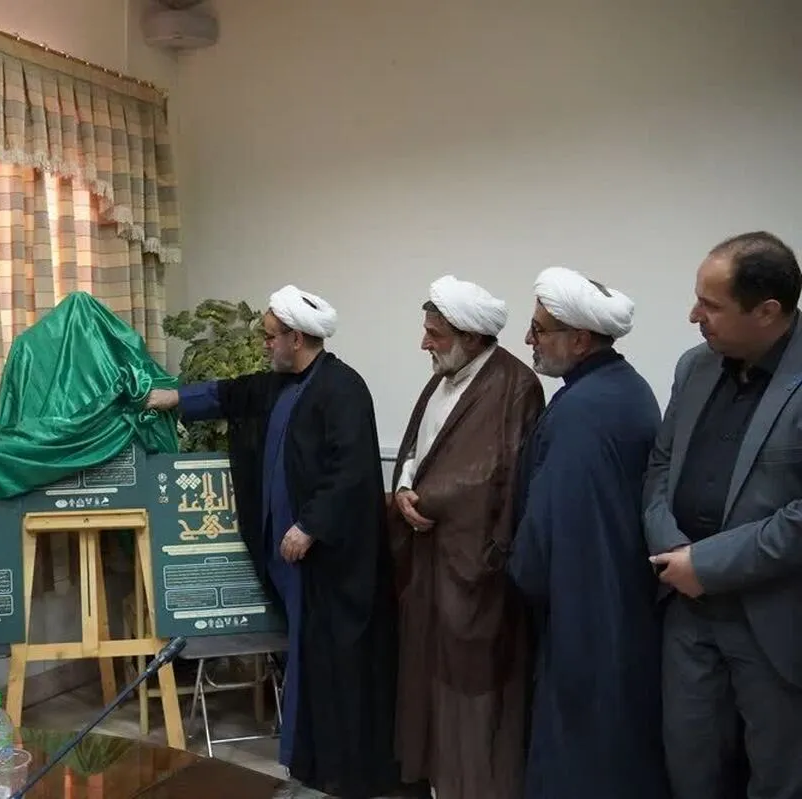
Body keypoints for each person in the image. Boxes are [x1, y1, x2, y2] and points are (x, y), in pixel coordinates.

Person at [145, 284, 398, 799]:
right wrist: (173, 399)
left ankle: (329, 770)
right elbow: (229, 394)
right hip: (288, 560)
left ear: (296, 339)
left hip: (326, 561)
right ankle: (306, 760)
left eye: (270, 337)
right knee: (303, 655)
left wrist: (308, 526)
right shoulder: (277, 385)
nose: (264, 345)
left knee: (325, 664)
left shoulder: (343, 388)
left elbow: (350, 472)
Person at [645, 231, 802, 799]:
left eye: (710, 305)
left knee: (778, 775)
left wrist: (707, 564)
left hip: (775, 617)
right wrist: (672, 550)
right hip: (686, 608)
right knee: (690, 765)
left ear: (767, 311)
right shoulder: (695, 367)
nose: (694, 316)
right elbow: (661, 466)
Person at [508, 268, 669, 799]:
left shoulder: (582, 409)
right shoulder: (625, 388)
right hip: (620, 602)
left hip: (584, 611)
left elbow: (550, 529)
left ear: (579, 339)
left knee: (580, 752)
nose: (528, 339)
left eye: (539, 329)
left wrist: (520, 576)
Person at [390, 276, 544, 799]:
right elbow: (416, 450)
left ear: (472, 337)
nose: (424, 344)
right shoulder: (441, 378)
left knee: (473, 684)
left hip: (475, 568)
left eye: (434, 334)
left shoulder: (516, 385)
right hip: (429, 557)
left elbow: (500, 474)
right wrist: (404, 488)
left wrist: (427, 500)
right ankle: (436, 778)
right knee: (428, 674)